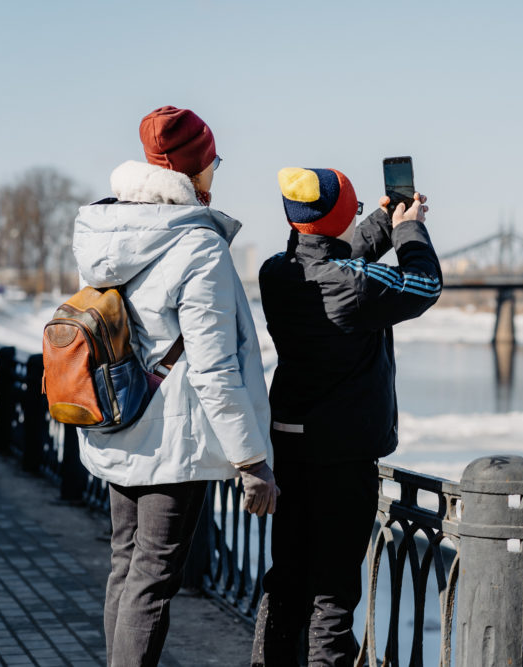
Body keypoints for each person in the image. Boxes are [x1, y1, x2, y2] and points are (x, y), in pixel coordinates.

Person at [72, 105, 279, 667]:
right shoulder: (196, 245)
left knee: (126, 565)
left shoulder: (107, 229)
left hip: (119, 421)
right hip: (173, 443)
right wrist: (251, 459)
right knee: (153, 577)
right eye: (213, 160)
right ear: (193, 168)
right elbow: (214, 367)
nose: (217, 170)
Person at [253, 167, 441, 665]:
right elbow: (423, 285)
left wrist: (379, 219)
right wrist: (409, 229)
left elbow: (336, 262)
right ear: (340, 216)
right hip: (342, 456)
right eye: (353, 211)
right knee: (333, 597)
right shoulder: (354, 285)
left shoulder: (276, 271)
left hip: (288, 447)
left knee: (287, 578)